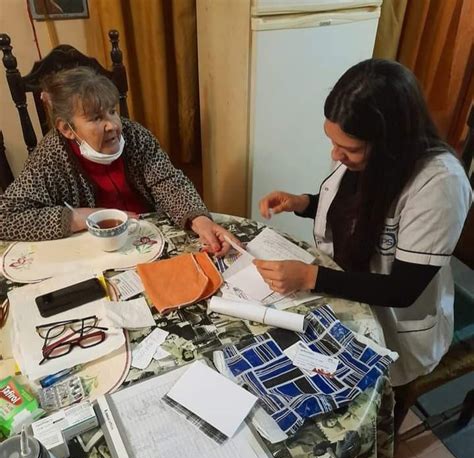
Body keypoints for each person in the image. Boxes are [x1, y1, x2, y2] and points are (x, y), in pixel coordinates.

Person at [255, 59, 472, 388]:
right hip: (349, 292)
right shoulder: (371, 158)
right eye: (333, 142)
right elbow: (353, 209)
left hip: (397, 328)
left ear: (390, 142)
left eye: (348, 149)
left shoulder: (439, 184)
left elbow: (403, 289)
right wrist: (304, 203)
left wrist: (309, 276)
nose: (336, 155)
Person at [0, 66, 235, 257]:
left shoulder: (134, 134)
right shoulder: (50, 157)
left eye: (112, 111)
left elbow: (168, 180)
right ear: (66, 128)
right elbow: (5, 218)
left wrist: (199, 219)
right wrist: (79, 217)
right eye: (96, 118)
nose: (113, 125)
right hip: (90, 251)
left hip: (146, 236)